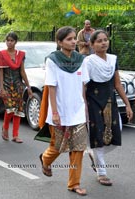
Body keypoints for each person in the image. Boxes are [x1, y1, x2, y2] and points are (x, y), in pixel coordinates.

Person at [39, 26, 88, 196]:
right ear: (59, 42)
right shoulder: (52, 60)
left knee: (78, 148)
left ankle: (74, 183)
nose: (74, 41)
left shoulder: (81, 60)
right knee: (59, 147)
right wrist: (54, 112)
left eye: (75, 38)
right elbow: (51, 86)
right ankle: (45, 160)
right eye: (69, 39)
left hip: (78, 111)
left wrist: (84, 107)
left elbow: (83, 85)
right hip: (60, 110)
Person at [84, 30, 133, 186]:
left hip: (110, 102)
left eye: (105, 40)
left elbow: (117, 84)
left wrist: (127, 104)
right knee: (98, 135)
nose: (104, 43)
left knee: (115, 134)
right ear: (92, 45)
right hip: (93, 102)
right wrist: (83, 105)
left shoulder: (112, 60)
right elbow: (83, 86)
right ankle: (102, 172)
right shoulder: (88, 62)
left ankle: (93, 154)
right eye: (99, 41)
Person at [0, 32, 33, 143]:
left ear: (15, 42)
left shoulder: (20, 54)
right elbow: (0, 72)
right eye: (7, 40)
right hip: (6, 85)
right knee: (10, 108)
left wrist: (28, 86)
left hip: (18, 85)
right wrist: (1, 87)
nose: (9, 42)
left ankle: (15, 135)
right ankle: (5, 128)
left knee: (18, 109)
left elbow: (22, 71)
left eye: (12, 40)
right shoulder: (1, 54)